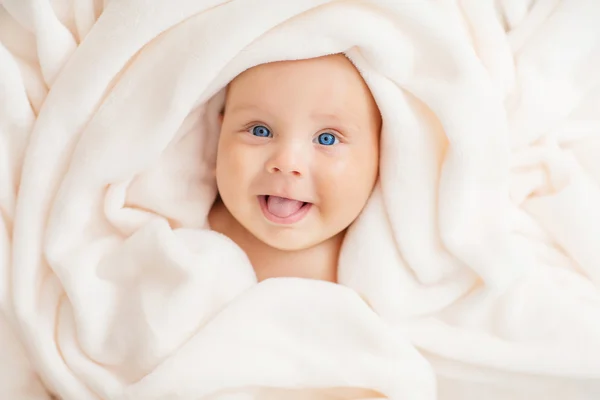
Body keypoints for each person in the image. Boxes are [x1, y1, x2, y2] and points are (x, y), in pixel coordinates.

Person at [208, 54, 381, 283]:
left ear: (381, 155)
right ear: (218, 138)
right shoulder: (187, 235)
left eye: (327, 138)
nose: (287, 163)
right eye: (260, 131)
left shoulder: (378, 272)